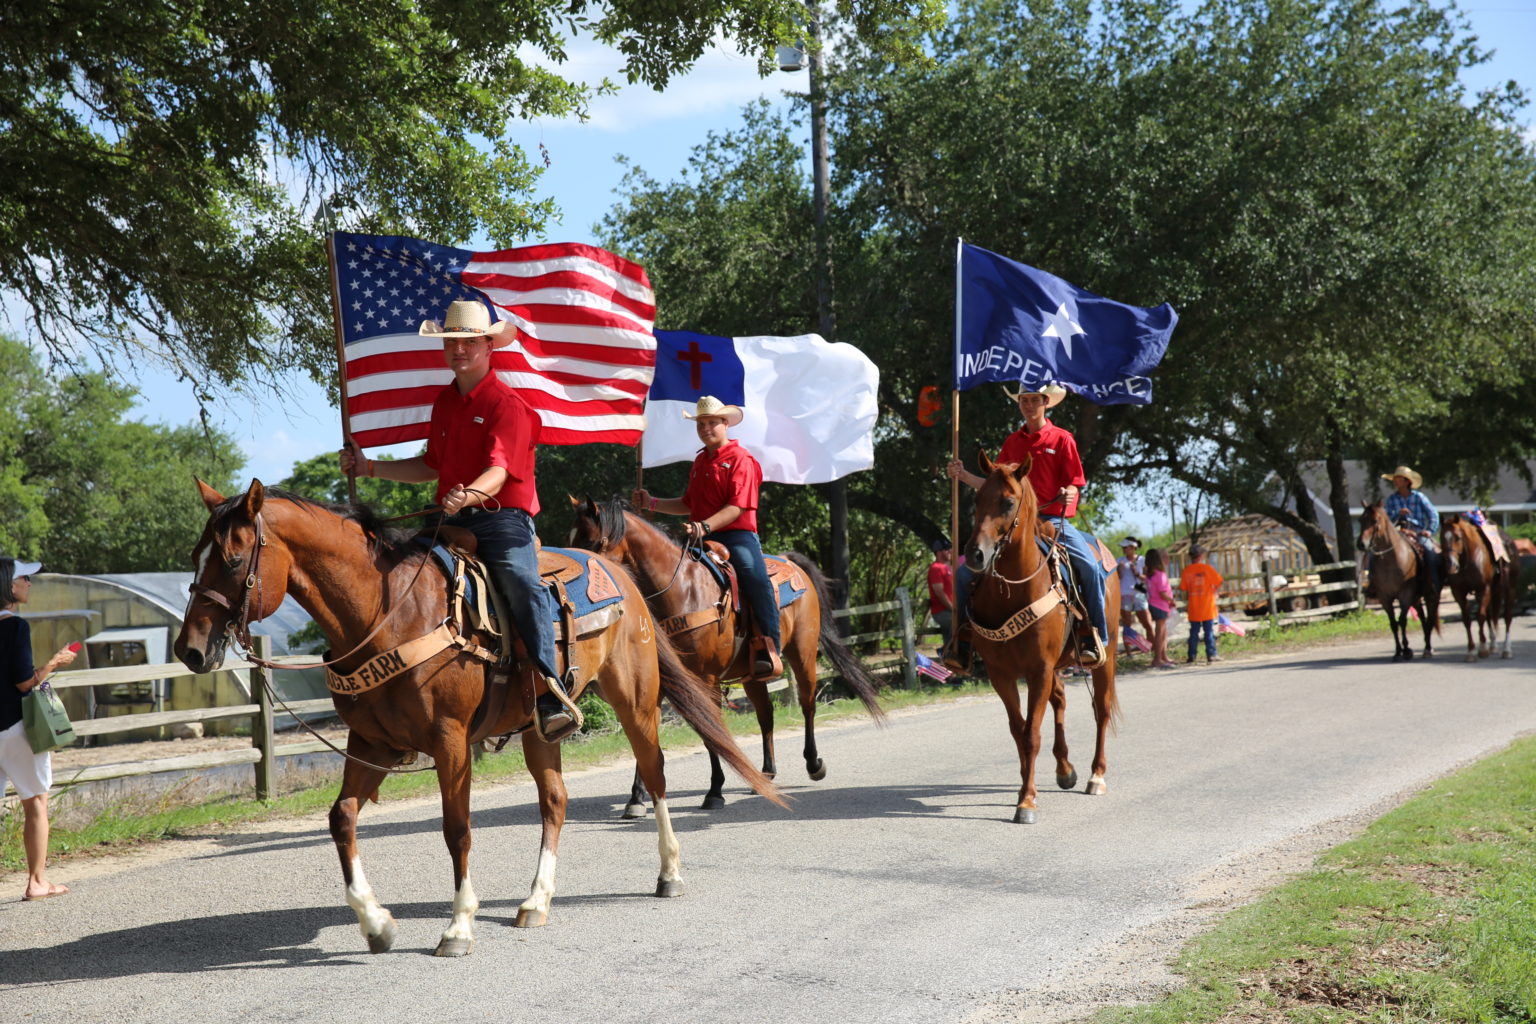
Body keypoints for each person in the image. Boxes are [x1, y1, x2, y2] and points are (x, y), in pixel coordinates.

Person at [339, 300, 579, 742]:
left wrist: (469, 494)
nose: (459, 349)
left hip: (502, 519)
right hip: (449, 518)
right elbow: (431, 465)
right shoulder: (445, 402)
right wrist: (369, 467)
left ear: (489, 346)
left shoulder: (508, 404)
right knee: (396, 572)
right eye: (452, 342)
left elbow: (499, 471)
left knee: (520, 582)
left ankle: (550, 690)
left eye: (469, 342)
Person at [946, 383, 1110, 665]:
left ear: (1046, 402)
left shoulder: (1062, 439)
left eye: (1034, 400)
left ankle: (1094, 637)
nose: (1029, 405)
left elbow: (1075, 482)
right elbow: (997, 487)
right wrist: (963, 476)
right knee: (963, 575)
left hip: (1053, 521)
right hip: (1016, 525)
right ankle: (962, 642)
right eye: (1024, 400)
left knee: (1089, 567)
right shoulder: (1012, 442)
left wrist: (1070, 492)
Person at [633, 395, 782, 678]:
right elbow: (688, 503)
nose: (705, 429)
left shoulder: (741, 459)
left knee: (754, 576)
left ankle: (770, 646)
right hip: (700, 537)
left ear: (725, 423)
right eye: (701, 424)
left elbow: (737, 507)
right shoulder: (700, 460)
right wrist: (651, 503)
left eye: (712, 423)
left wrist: (704, 526)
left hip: (736, 536)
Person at [1, 555, 80, 900]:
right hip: (15, 728)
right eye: (24, 579)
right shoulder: (15, 627)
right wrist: (55, 663)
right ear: (9, 585)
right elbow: (24, 682)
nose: (29, 584)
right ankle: (36, 882)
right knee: (36, 803)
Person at [1376, 465, 1440, 599]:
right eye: (1395, 479)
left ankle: (1434, 583)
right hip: (1398, 532)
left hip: (1417, 532)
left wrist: (1429, 530)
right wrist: (1397, 513)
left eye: (1399, 479)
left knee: (1430, 551)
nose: (1395, 482)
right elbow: (1386, 520)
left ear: (1407, 481)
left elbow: (1433, 514)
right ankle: (1375, 584)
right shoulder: (1392, 499)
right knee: (1377, 553)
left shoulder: (1419, 497)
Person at [1178, 545, 1224, 664]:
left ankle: (1191, 655)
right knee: (1209, 631)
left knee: (1194, 632)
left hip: (1194, 607)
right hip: (1207, 606)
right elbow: (1219, 581)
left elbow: (1183, 587)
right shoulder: (1207, 569)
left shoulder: (1187, 571)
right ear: (1202, 556)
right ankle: (1211, 654)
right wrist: (1214, 590)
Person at [1116, 536, 1154, 654]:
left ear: (1133, 547)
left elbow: (1148, 577)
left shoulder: (1142, 560)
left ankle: (1151, 648)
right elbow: (1117, 578)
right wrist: (1120, 570)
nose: (1123, 549)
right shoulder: (1120, 561)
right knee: (1127, 624)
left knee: (1147, 623)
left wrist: (1137, 573)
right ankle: (1129, 652)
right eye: (1123, 547)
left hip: (1139, 594)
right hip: (1125, 594)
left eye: (1125, 547)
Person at [1143, 547, 1177, 669]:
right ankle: (1157, 659)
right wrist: (1171, 600)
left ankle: (1163, 657)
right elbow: (1163, 593)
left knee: (1162, 632)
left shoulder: (1150, 574)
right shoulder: (1160, 574)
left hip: (1153, 604)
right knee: (1160, 634)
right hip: (1160, 606)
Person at [926, 537, 956, 654]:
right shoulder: (936, 568)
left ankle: (948, 654)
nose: (950, 551)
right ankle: (946, 654)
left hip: (950, 610)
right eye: (946, 549)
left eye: (950, 548)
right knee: (957, 625)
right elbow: (939, 592)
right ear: (938, 552)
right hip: (942, 611)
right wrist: (953, 609)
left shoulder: (947, 568)